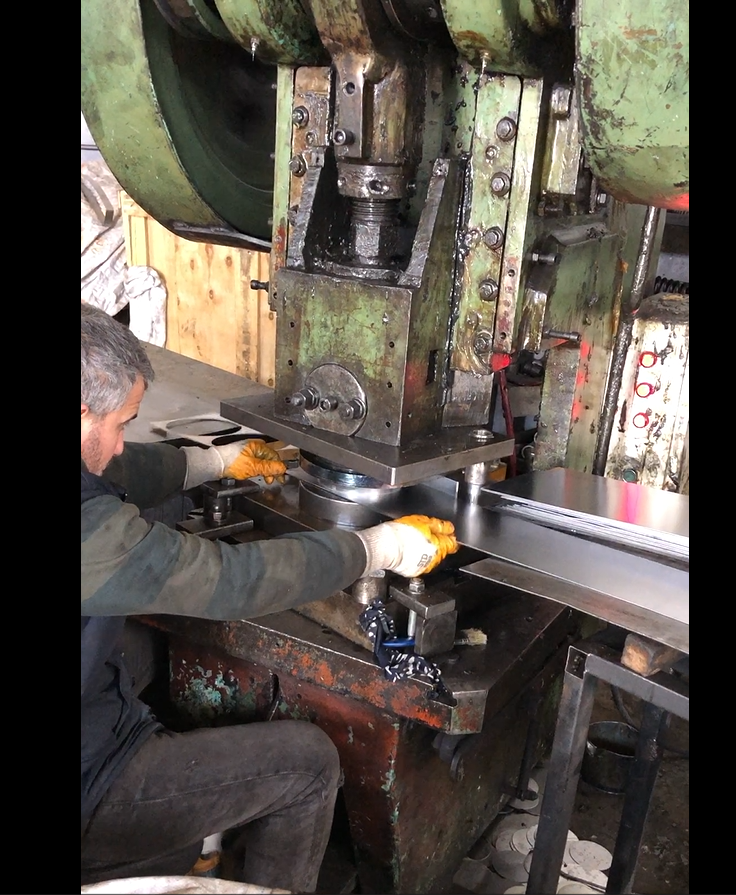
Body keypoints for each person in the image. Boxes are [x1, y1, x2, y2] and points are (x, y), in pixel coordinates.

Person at [81, 303, 459, 891]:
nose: (124, 443)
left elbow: (110, 473)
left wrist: (210, 461)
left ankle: (191, 840)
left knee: (138, 649)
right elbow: (231, 580)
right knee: (308, 765)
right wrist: (376, 548)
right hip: (89, 783)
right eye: (123, 424)